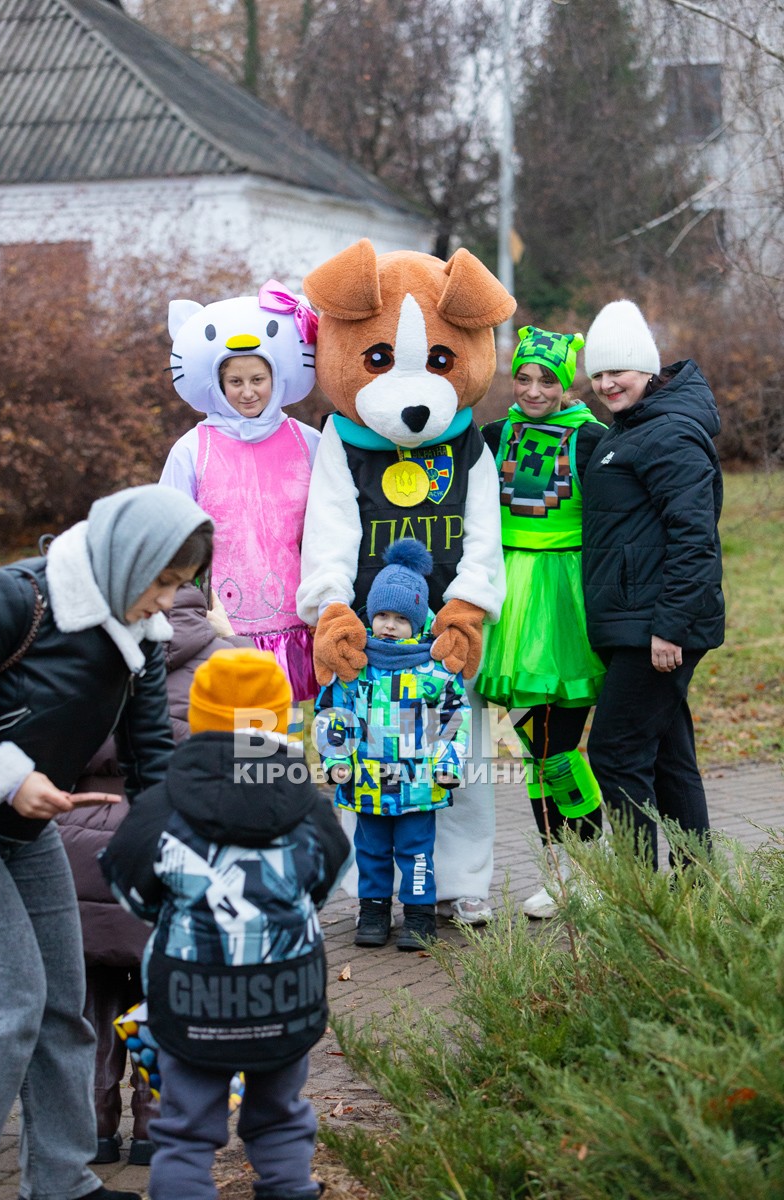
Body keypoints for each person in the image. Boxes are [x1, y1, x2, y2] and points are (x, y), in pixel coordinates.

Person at [0, 484, 212, 1200]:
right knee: (10, 1006)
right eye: (162, 581)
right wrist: (7, 774)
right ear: (126, 559)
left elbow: (152, 759)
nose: (166, 601)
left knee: (63, 1001)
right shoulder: (14, 599)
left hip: (23, 830)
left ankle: (61, 1182)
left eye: (180, 586)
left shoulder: (141, 636)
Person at [100, 648, 351, 1200]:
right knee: (282, 1119)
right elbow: (328, 877)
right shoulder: (307, 801)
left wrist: (172, 913)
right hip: (287, 995)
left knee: (184, 1133)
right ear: (280, 717)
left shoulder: (166, 801)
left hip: (192, 998)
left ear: (198, 717)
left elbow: (125, 882)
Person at [56, 583, 247, 1167]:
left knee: (93, 986)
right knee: (169, 986)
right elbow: (251, 764)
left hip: (85, 842)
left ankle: (94, 1122)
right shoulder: (228, 663)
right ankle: (156, 1124)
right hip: (178, 844)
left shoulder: (87, 654)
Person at [581, 299, 724, 869]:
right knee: (667, 757)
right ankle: (697, 884)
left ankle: (639, 898)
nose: (607, 382)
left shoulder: (667, 434)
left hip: (657, 630)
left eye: (618, 369)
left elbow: (696, 539)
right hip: (637, 624)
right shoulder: (632, 429)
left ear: (647, 367)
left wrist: (670, 627)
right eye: (597, 373)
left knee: (614, 755)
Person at [478, 326, 606, 918]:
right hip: (508, 608)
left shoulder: (594, 441)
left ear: (567, 382)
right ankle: (562, 871)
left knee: (554, 747)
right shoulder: (493, 436)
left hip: (565, 605)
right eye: (523, 377)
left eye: (546, 379)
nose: (532, 389)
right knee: (535, 748)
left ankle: (592, 859)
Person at [160, 285, 320, 701]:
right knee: (232, 730)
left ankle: (284, 769)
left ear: (276, 378)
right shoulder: (193, 448)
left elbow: (329, 524)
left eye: (257, 379)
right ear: (218, 384)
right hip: (221, 620)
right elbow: (172, 533)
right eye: (235, 381)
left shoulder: (310, 442)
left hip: (296, 618)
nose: (247, 392)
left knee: (287, 727)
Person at [314, 540, 470, 951]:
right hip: (366, 780)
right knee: (372, 850)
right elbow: (333, 715)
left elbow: (454, 718)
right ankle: (374, 910)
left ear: (417, 621)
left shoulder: (434, 669)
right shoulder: (355, 666)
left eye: (400, 618)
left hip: (419, 784)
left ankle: (419, 915)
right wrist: (337, 758)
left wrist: (447, 761)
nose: (388, 624)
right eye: (381, 614)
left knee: (417, 851)